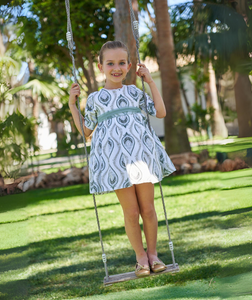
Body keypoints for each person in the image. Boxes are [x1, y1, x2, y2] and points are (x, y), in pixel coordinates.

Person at [69, 41, 176, 277]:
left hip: (141, 157)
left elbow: (160, 112)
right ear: (100, 66)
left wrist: (149, 81)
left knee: (148, 208)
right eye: (110, 63)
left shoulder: (135, 92)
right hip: (115, 163)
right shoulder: (96, 99)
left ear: (129, 66)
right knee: (131, 212)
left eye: (121, 63)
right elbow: (86, 131)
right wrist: (71, 104)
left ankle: (153, 254)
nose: (116, 68)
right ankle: (140, 258)